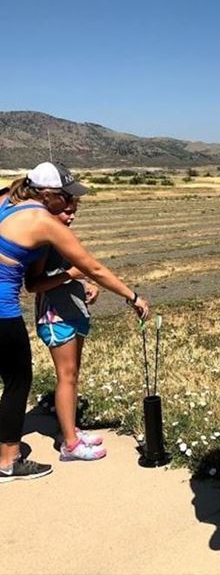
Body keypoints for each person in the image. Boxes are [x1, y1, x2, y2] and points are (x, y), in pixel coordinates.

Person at [0, 162, 148, 483]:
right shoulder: (43, 221)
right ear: (49, 195)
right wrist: (132, 296)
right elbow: (92, 267)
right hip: (3, 310)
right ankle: (9, 460)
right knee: (16, 383)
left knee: (16, 380)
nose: (70, 205)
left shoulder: (7, 201)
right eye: (66, 197)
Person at [25, 196, 106, 461]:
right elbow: (34, 284)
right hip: (55, 316)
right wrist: (71, 275)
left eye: (74, 212)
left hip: (71, 311)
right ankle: (70, 445)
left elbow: (79, 268)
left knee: (72, 375)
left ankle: (68, 430)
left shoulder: (63, 236)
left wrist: (88, 283)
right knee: (66, 376)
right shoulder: (45, 242)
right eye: (66, 212)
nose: (71, 217)